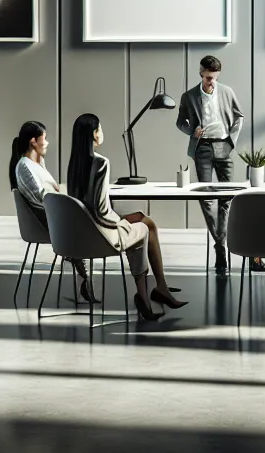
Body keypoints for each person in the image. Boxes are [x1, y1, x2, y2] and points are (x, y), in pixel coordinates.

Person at [66, 114, 187, 321]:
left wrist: (122, 219)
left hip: (82, 232)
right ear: (94, 135)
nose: (102, 132)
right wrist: (121, 222)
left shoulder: (74, 166)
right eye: (100, 129)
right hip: (101, 233)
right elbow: (100, 211)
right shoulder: (101, 163)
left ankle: (161, 288)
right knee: (143, 230)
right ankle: (144, 297)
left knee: (146, 220)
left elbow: (88, 208)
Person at [176, 54, 253, 274]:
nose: (211, 82)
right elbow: (180, 122)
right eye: (208, 77)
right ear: (201, 73)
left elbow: (239, 116)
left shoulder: (226, 92)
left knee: (226, 198)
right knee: (205, 197)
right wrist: (192, 131)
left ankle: (219, 245)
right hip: (202, 148)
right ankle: (221, 245)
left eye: (214, 78)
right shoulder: (189, 96)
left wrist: (231, 139)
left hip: (223, 146)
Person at [7, 120, 95, 302]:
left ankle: (81, 272)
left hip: (54, 215)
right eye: (44, 138)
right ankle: (79, 269)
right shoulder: (24, 166)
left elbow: (51, 190)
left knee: (91, 216)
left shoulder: (37, 164)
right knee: (93, 223)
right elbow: (43, 196)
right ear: (33, 141)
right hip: (48, 221)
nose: (47, 143)